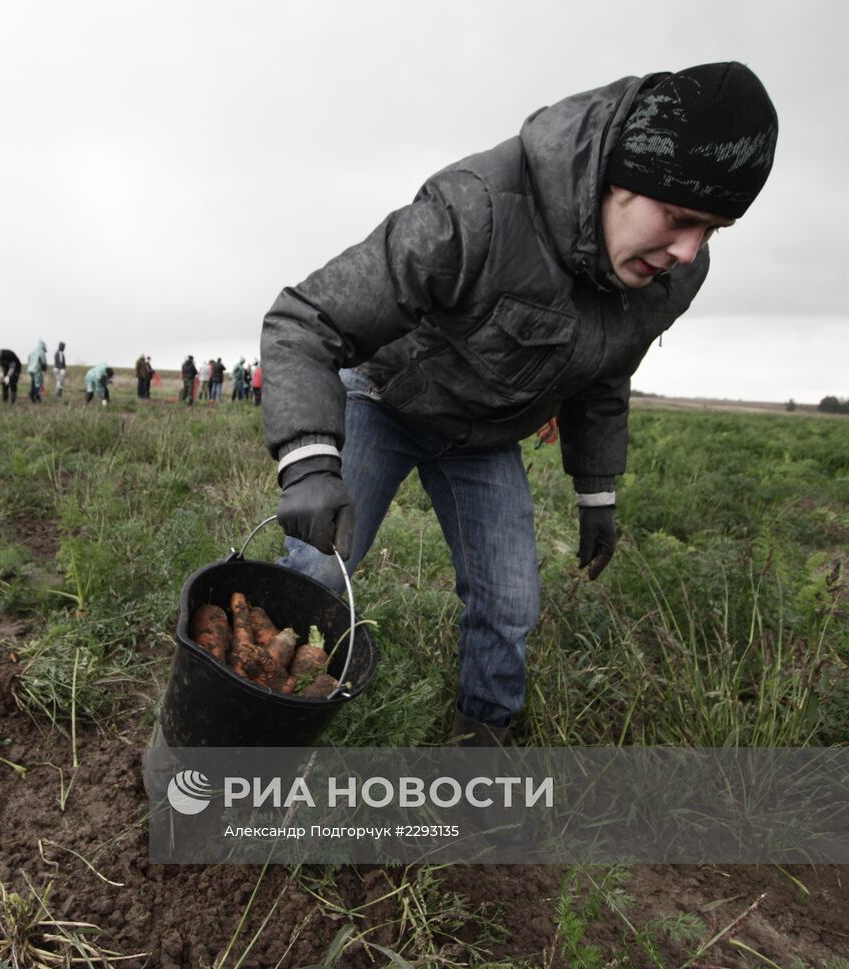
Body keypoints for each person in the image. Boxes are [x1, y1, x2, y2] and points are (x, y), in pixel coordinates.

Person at [261, 63, 778, 745]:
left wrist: (597, 491)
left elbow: (605, 369)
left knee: (509, 603)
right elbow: (306, 317)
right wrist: (307, 459)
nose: (688, 251)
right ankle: (254, 719)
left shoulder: (669, 276)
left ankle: (481, 747)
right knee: (317, 569)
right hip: (387, 398)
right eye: (680, 218)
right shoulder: (475, 208)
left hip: (484, 437)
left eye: (714, 229)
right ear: (620, 177)